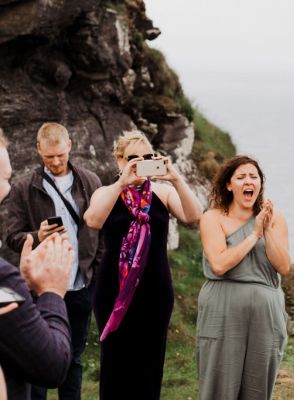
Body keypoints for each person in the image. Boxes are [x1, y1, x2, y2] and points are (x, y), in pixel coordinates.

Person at [84, 131, 202, 399]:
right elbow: (92, 220)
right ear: (119, 160)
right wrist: (121, 183)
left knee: (149, 363)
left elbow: (194, 215)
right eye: (132, 158)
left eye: (147, 158)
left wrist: (175, 177)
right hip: (113, 288)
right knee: (115, 361)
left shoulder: (162, 192)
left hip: (155, 289)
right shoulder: (107, 192)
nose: (140, 163)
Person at [3, 122, 103, 400]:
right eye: (49, 157)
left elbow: (102, 231)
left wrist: (95, 271)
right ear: (38, 150)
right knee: (37, 360)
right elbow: (11, 236)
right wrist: (37, 235)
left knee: (75, 358)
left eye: (60, 154)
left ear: (69, 144)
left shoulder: (91, 181)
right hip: (41, 287)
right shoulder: (24, 187)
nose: (56, 161)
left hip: (81, 284)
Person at [196, 155, 290, 400]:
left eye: (253, 176)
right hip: (222, 309)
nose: (248, 181)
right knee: (219, 381)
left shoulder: (275, 218)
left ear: (260, 184)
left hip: (265, 314)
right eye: (241, 177)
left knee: (258, 384)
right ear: (229, 185)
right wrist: (253, 235)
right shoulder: (212, 217)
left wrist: (267, 229)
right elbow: (218, 264)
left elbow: (283, 266)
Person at [0, 128, 74, 400]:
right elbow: (51, 366)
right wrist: (52, 293)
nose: (6, 188)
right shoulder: (2, 282)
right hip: (47, 285)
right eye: (3, 178)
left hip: (80, 282)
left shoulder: (88, 180)